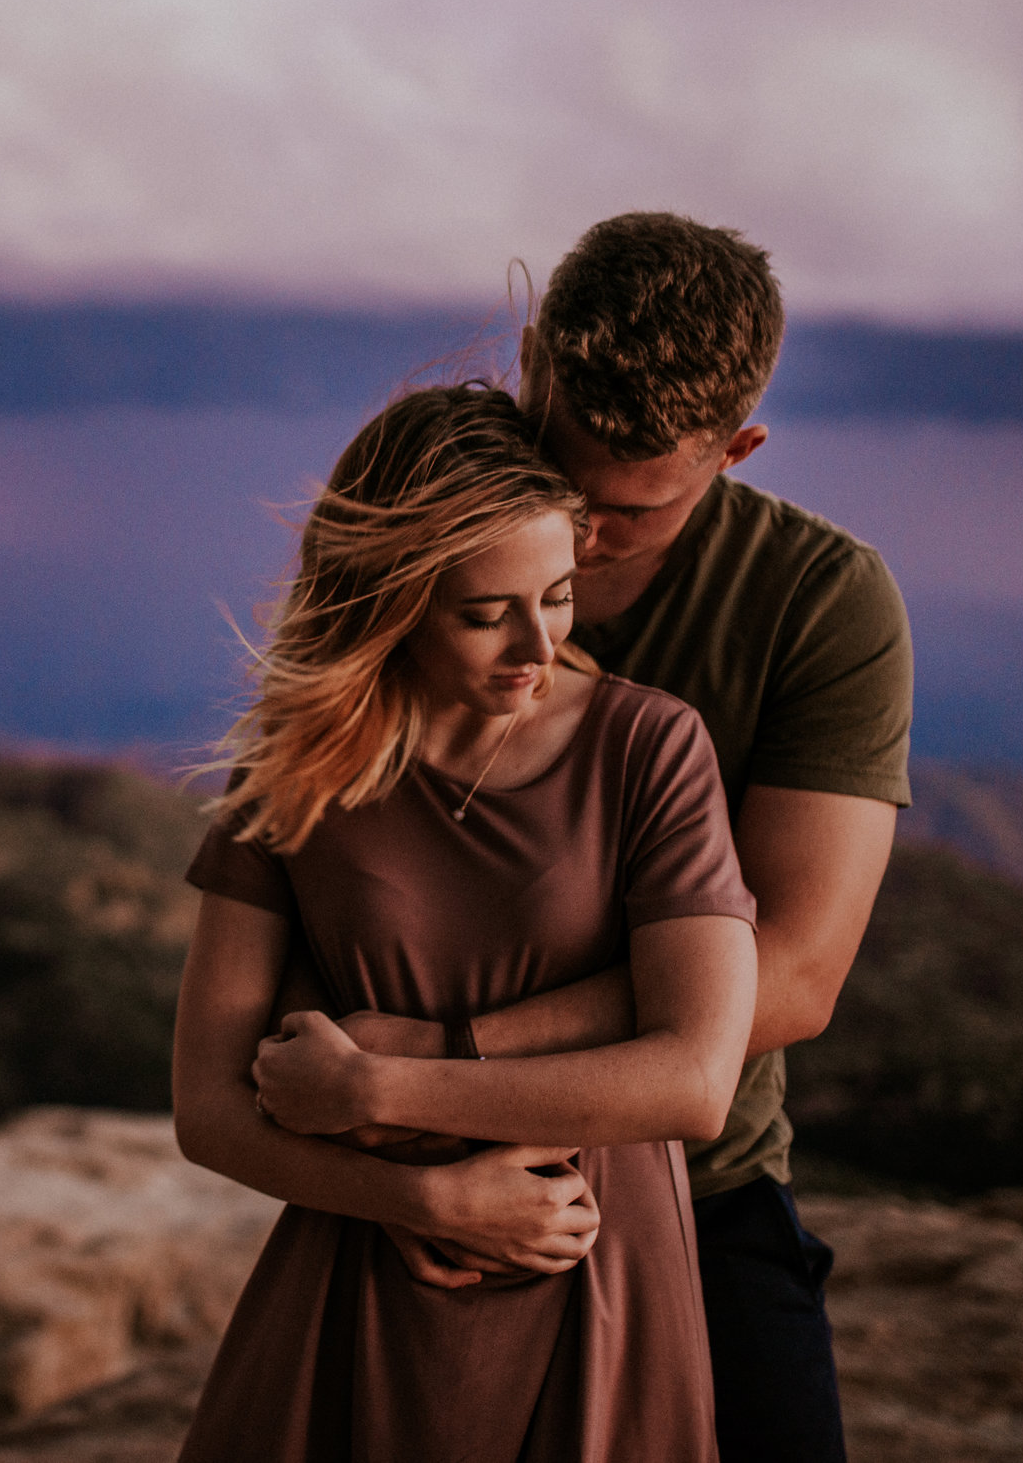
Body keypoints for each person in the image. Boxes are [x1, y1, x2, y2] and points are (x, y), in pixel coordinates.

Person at [258, 212, 912, 1462]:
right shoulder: (420, 526)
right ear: (530, 362)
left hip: (691, 1179)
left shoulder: (821, 603)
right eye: (564, 472)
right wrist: (411, 1170)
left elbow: (794, 973)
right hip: (404, 1176)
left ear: (737, 449)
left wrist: (431, 1065)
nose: (587, 532)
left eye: (629, 512)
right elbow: (314, 831)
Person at [171, 382, 760, 1460]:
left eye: (559, 594)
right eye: (485, 613)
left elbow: (695, 1078)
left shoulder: (648, 748)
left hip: (591, 1260)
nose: (535, 644)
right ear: (386, 601)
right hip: (358, 1264)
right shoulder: (296, 767)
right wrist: (421, 1198)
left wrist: (381, 1087)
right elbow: (205, 1110)